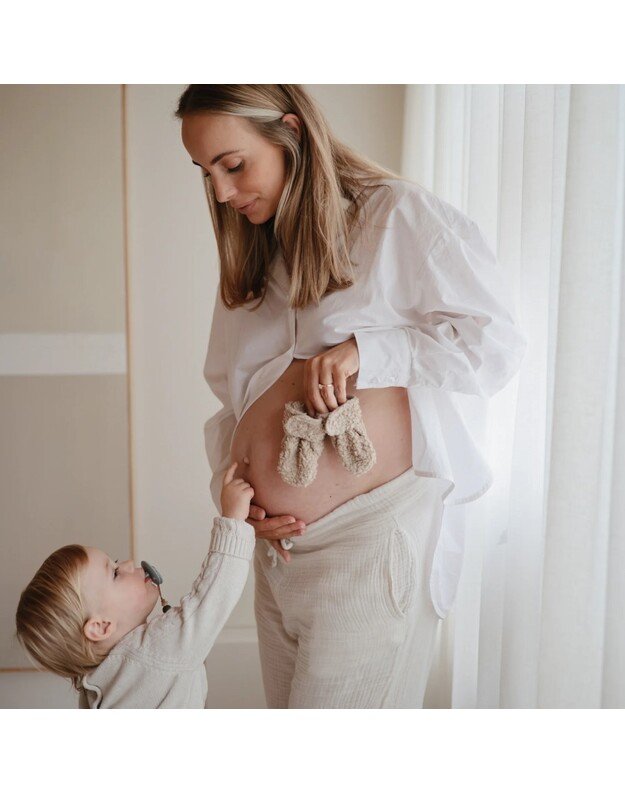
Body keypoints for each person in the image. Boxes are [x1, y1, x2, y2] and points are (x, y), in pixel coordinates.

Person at [176, 84, 528, 708]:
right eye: (208, 174)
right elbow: (230, 406)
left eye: (233, 165)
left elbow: (493, 344)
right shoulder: (253, 257)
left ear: (289, 132)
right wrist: (239, 501)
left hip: (367, 551)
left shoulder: (395, 217)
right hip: (279, 557)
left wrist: (372, 351)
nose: (224, 192)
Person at [14, 463, 255, 708]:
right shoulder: (158, 649)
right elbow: (212, 598)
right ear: (101, 626)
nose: (129, 563)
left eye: (117, 562)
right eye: (116, 573)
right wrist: (232, 521)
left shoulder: (95, 686)